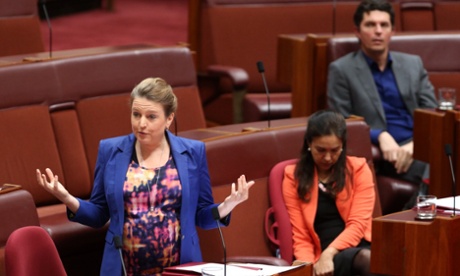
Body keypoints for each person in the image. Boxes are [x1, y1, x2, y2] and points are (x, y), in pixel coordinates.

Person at [36, 77, 255, 275]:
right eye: (136, 114)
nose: (141, 123)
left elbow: (201, 217)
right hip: (124, 268)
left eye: (151, 116)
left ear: (169, 119)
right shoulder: (110, 151)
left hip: (178, 269)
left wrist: (227, 206)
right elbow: (99, 214)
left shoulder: (193, 153)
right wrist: (67, 198)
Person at [327, 0, 437, 209]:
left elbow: (432, 111)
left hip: (421, 147)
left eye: (384, 25)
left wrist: (417, 145)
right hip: (384, 153)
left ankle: (414, 213)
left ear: (392, 31)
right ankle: (416, 221)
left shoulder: (413, 64)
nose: (378, 31)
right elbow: (339, 120)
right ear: (357, 31)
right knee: (440, 166)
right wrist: (380, 136)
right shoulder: (342, 70)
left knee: (441, 161)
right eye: (370, 25)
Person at [283, 110, 376, 276]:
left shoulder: (359, 169)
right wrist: (309, 267)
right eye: (320, 150)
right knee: (367, 260)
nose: (327, 158)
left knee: (377, 259)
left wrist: (329, 254)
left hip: (358, 245)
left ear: (343, 146)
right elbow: (300, 234)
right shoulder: (293, 177)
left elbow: (358, 224)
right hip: (324, 256)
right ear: (309, 144)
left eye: (335, 150)